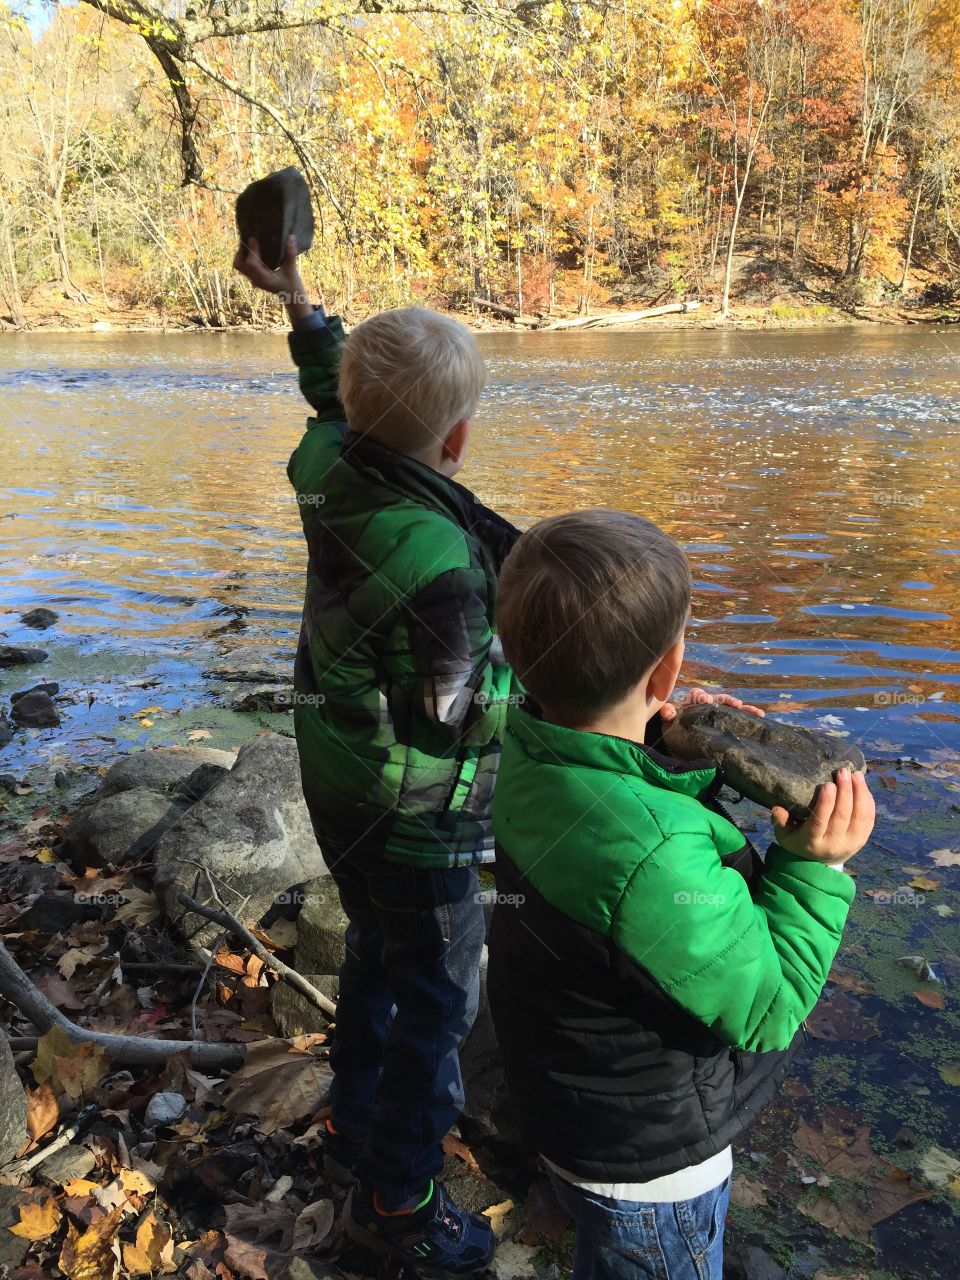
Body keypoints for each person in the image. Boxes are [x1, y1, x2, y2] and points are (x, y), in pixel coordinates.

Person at [487, 508, 875, 1280]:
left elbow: (614, 830)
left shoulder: (531, 748)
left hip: (573, 1110)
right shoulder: (657, 853)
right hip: (652, 1166)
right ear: (666, 672)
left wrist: (662, 751)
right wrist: (812, 869)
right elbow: (767, 1009)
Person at [234, 235, 519, 1276]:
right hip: (415, 808)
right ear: (458, 438)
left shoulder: (329, 465)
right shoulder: (444, 559)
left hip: (337, 778)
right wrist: (550, 690)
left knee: (371, 947)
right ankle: (396, 1197)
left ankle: (354, 1117)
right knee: (439, 996)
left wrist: (300, 298)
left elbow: (329, 391)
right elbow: (455, 707)